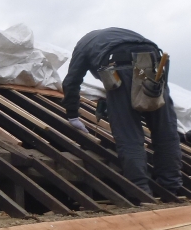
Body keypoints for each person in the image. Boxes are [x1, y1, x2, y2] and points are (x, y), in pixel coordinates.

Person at [62, 28, 182, 195]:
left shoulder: (83, 45)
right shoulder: (121, 35)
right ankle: (172, 187)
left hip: (120, 65)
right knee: (165, 131)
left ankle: (140, 192)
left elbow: (71, 82)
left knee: (129, 135)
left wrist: (72, 115)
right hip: (153, 63)